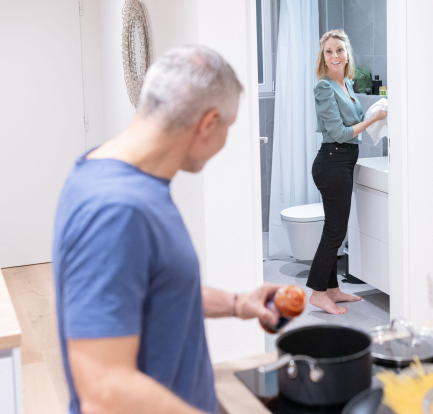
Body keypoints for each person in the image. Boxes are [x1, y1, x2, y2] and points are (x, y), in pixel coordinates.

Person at [52, 45, 283, 414]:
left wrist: (239, 304)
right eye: (229, 127)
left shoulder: (107, 173)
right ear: (208, 123)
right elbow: (105, 391)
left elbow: (151, 290)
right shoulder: (116, 210)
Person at [307, 30, 388, 315]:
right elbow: (340, 133)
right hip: (332, 162)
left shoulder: (347, 85)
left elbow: (351, 122)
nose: (335, 56)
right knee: (334, 231)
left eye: (339, 50)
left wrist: (375, 113)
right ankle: (318, 293)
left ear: (347, 54)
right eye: (329, 51)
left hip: (342, 161)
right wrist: (375, 119)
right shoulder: (325, 88)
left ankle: (331, 289)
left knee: (335, 229)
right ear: (323, 57)